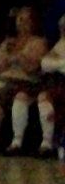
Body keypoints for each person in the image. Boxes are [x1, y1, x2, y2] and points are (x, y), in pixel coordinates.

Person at [0, 7, 47, 154]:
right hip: (3, 79)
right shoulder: (8, 42)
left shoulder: (38, 42)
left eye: (26, 20)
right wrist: (6, 59)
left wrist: (19, 57)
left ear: (33, 23)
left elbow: (33, 69)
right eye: (19, 20)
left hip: (23, 82)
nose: (22, 23)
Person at [35, 29, 65, 158]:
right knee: (44, 97)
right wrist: (61, 63)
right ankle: (47, 142)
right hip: (60, 84)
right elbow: (45, 63)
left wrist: (58, 61)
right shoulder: (61, 43)